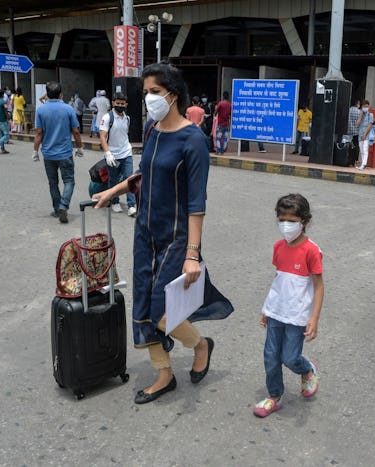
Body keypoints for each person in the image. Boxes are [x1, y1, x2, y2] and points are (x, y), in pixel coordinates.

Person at [92, 62, 233, 404]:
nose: (149, 99)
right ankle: (164, 375)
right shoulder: (154, 130)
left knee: (161, 309)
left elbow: (197, 201)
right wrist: (115, 190)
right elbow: (143, 174)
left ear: (173, 94)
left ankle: (199, 344)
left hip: (176, 237)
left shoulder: (194, 139)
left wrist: (192, 255)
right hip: (145, 230)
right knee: (142, 304)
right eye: (146, 93)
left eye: (154, 92)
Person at [253, 193, 323, 418]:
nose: (286, 225)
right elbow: (279, 280)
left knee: (290, 358)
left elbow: (319, 286)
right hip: (276, 311)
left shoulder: (312, 251)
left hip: (297, 315)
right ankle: (275, 396)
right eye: (282, 219)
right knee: (270, 356)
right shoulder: (278, 247)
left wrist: (314, 318)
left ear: (304, 221)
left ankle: (307, 369)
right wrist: (267, 308)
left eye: (292, 221)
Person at [33, 81, 84, 224]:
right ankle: (64, 205)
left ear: (47, 94)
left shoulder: (41, 110)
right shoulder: (68, 109)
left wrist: (35, 151)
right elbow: (76, 131)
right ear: (61, 94)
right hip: (65, 153)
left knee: (53, 183)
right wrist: (79, 147)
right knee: (69, 181)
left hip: (48, 154)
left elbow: (39, 133)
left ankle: (57, 209)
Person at [99, 92, 136, 217]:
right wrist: (108, 153)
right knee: (113, 180)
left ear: (126, 104)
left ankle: (131, 205)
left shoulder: (127, 118)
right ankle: (115, 201)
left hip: (126, 153)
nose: (120, 105)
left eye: (122, 103)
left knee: (129, 178)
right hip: (113, 155)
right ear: (113, 103)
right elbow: (103, 137)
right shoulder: (107, 117)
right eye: (117, 103)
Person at [355, 99, 375, 170]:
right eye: (364, 106)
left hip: (367, 135)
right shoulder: (359, 114)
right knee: (361, 150)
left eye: (367, 106)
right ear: (362, 106)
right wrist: (360, 116)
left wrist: (365, 134)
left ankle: (364, 164)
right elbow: (357, 124)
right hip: (360, 134)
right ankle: (363, 164)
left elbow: (370, 125)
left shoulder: (370, 115)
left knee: (365, 149)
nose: (365, 108)